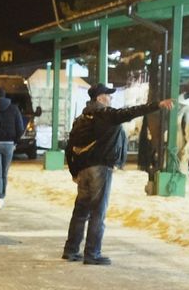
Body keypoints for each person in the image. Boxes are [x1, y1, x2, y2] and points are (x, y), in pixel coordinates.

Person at [63, 84, 174, 265]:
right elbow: (131, 112)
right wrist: (157, 105)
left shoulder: (81, 118)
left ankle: (71, 250)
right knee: (98, 212)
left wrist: (74, 171)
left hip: (83, 170)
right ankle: (92, 253)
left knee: (81, 211)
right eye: (108, 95)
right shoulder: (105, 115)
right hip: (100, 168)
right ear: (100, 98)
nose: (111, 99)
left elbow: (70, 146)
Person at [0, 87, 25, 209]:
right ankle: (2, 196)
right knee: (4, 172)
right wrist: (15, 142)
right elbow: (20, 127)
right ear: (5, 95)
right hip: (9, 144)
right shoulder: (14, 108)